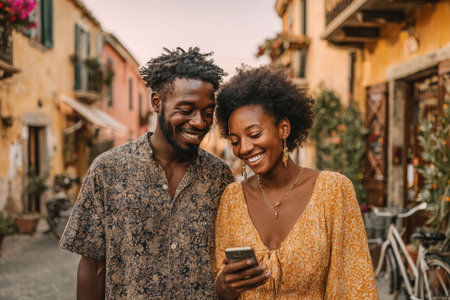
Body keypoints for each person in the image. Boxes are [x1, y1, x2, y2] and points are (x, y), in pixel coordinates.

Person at [58, 47, 235, 299]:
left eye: (208, 113)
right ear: (156, 102)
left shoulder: (219, 176)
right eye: (186, 110)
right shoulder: (108, 170)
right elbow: (93, 265)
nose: (199, 122)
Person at [213, 66, 379, 299]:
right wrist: (225, 286)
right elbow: (220, 287)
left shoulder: (332, 191)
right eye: (235, 140)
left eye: (255, 134)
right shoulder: (231, 198)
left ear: (283, 128)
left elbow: (354, 285)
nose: (245, 148)